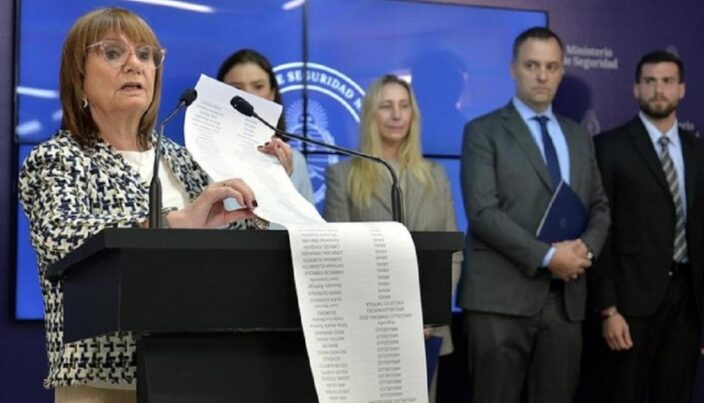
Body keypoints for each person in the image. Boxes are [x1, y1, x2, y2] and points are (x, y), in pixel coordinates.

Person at [18, 8, 288, 402]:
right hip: (106, 385)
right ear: (78, 76)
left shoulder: (182, 159)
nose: (135, 64)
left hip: (200, 372)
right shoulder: (57, 159)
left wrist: (266, 181)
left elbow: (235, 241)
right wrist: (171, 223)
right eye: (113, 53)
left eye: (145, 55)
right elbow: (63, 239)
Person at [457, 27, 609, 403]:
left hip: (565, 301)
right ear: (513, 69)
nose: (542, 76)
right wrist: (548, 256)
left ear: (561, 72)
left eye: (551, 67)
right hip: (499, 303)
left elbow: (600, 207)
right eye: (532, 65)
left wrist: (584, 250)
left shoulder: (579, 136)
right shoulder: (483, 131)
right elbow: (482, 212)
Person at [323, 74, 461, 402]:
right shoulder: (343, 177)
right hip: (368, 331)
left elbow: (453, 255)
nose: (397, 115)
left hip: (427, 331)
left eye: (404, 105)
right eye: (386, 106)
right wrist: (389, 320)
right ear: (371, 114)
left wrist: (427, 314)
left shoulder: (437, 176)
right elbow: (341, 259)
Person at [589, 50, 704, 403]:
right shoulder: (610, 147)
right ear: (636, 88)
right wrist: (608, 309)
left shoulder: (698, 150)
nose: (659, 90)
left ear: (682, 89)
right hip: (629, 306)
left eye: (668, 81)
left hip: (688, 305)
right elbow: (600, 232)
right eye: (650, 81)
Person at [217, 48, 315, 205]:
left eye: (258, 86)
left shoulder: (294, 160)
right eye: (237, 88)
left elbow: (307, 220)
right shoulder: (199, 156)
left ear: (272, 94)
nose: (249, 96)